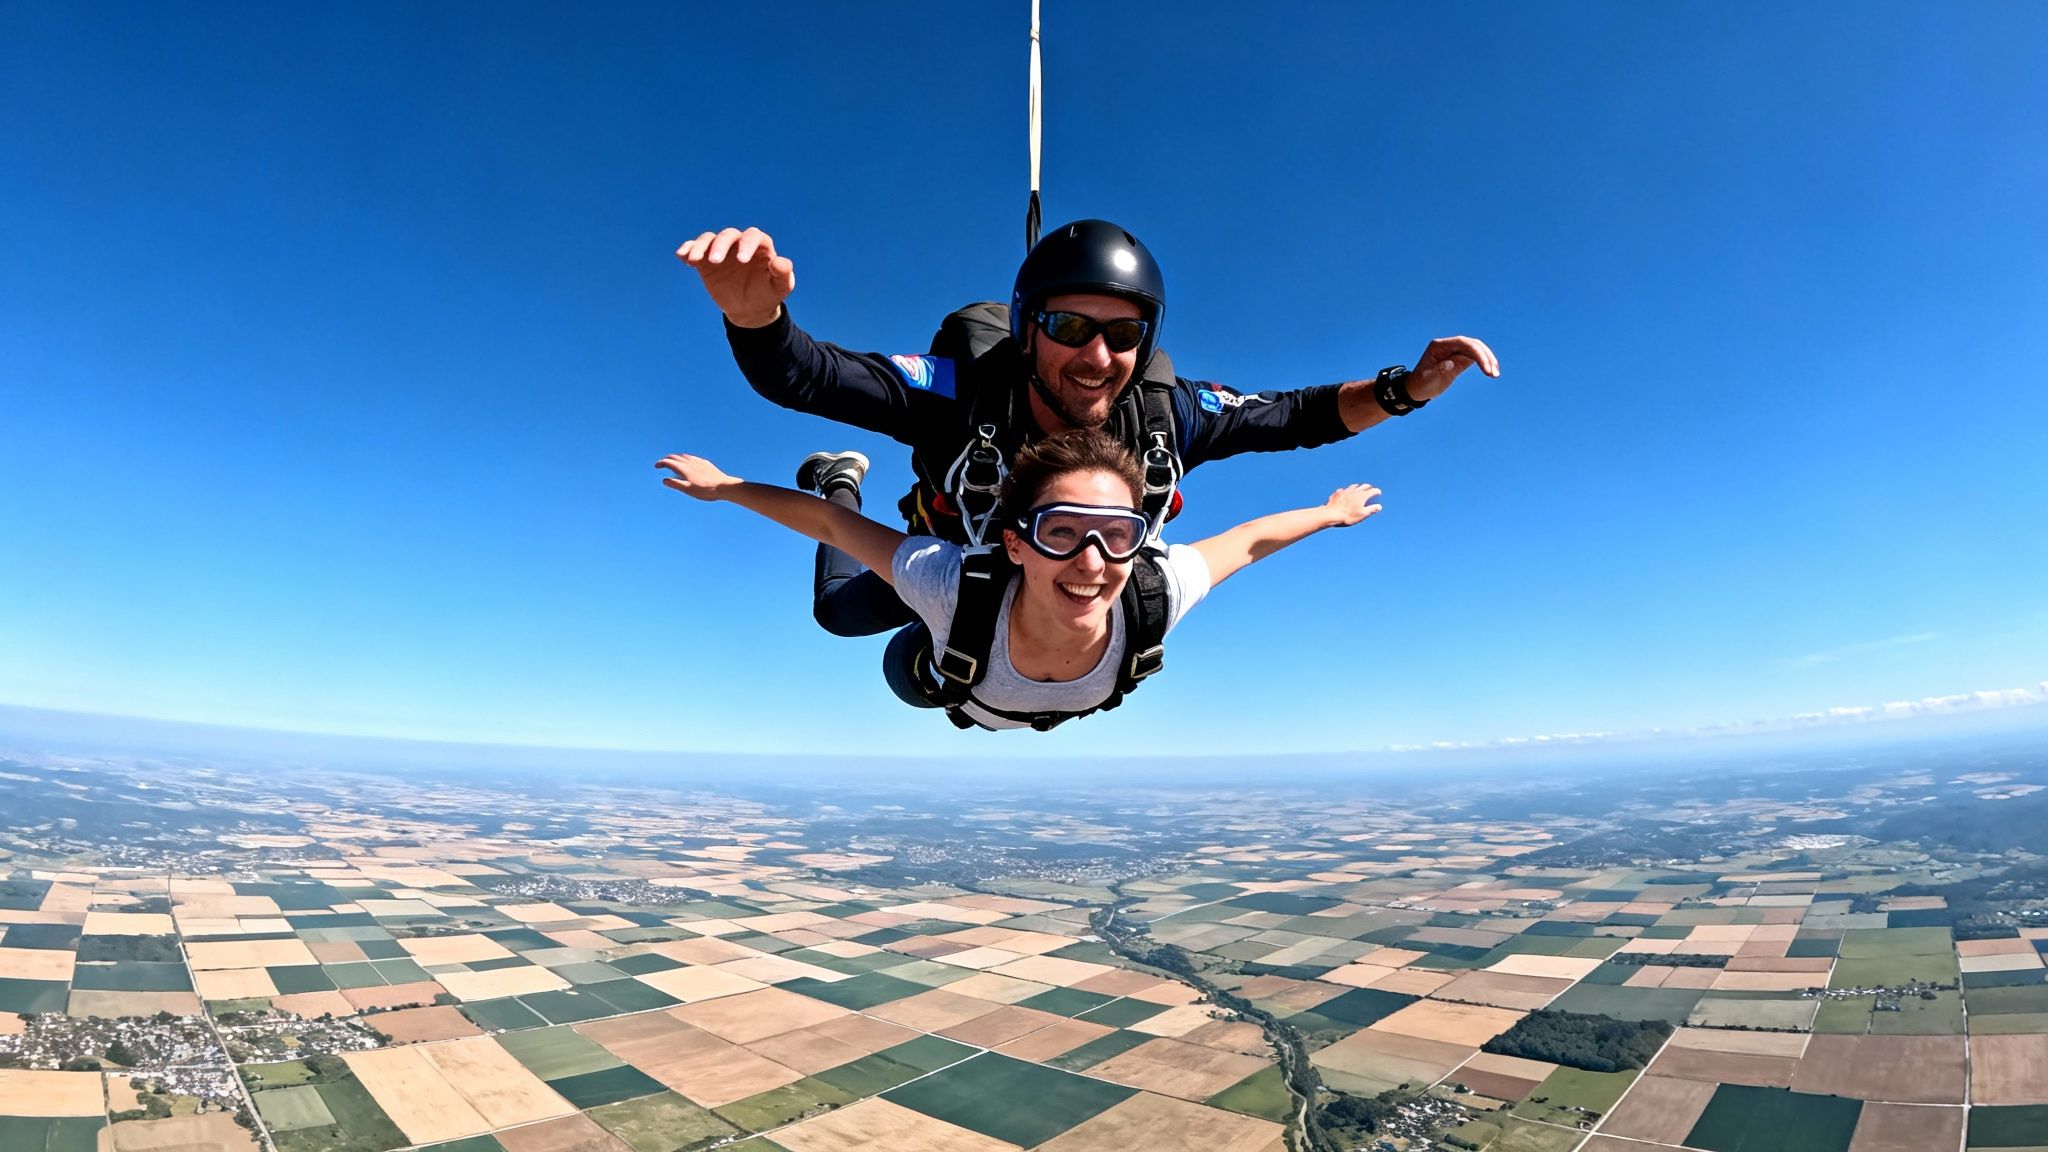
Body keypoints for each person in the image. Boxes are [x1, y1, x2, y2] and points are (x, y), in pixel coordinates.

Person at [676, 221, 1498, 641]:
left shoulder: (1167, 414)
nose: (1097, 356)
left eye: (1123, 333)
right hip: (951, 553)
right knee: (838, 619)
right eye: (1069, 327)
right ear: (1029, 330)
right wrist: (757, 318)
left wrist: (1408, 388)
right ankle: (838, 478)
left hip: (1065, 580)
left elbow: (1295, 417)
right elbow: (811, 375)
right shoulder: (962, 393)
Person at [656, 429, 1382, 731]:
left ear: (1140, 542)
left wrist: (1328, 513)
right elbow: (833, 530)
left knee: (907, 648)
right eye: (1061, 532)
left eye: (1118, 536)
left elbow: (1249, 541)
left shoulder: (1155, 590)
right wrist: (726, 488)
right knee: (843, 617)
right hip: (951, 639)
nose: (1093, 562)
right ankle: (842, 474)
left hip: (968, 651)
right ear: (1018, 541)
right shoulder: (950, 586)